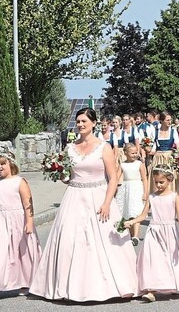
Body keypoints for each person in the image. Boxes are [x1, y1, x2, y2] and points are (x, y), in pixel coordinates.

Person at [29, 107, 138, 302]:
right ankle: (68, 286)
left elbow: (113, 178)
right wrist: (57, 171)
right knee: (71, 240)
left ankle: (109, 285)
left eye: (84, 122)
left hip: (98, 195)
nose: (80, 125)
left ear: (94, 123)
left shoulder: (103, 147)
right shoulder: (70, 148)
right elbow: (68, 177)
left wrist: (107, 203)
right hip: (74, 196)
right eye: (78, 122)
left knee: (102, 242)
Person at [125, 165, 179, 302]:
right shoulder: (152, 197)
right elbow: (143, 215)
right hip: (154, 231)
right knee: (152, 259)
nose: (158, 185)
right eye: (156, 182)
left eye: (161, 182)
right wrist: (131, 221)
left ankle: (174, 283)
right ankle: (151, 290)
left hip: (170, 231)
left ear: (169, 180)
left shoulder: (174, 196)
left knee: (171, 259)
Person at [0, 155, 41, 294]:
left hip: (18, 221)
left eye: (3, 164)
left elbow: (28, 203)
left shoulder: (19, 181)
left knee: (23, 254)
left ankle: (27, 282)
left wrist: (29, 221)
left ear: (11, 165)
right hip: (0, 222)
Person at [115, 145, 149, 246]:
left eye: (136, 153)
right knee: (127, 212)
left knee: (136, 212)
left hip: (137, 187)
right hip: (126, 188)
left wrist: (145, 191)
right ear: (125, 153)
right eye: (132, 153)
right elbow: (116, 178)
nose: (135, 155)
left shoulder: (139, 164)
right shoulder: (123, 165)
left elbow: (144, 178)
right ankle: (130, 235)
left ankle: (136, 236)